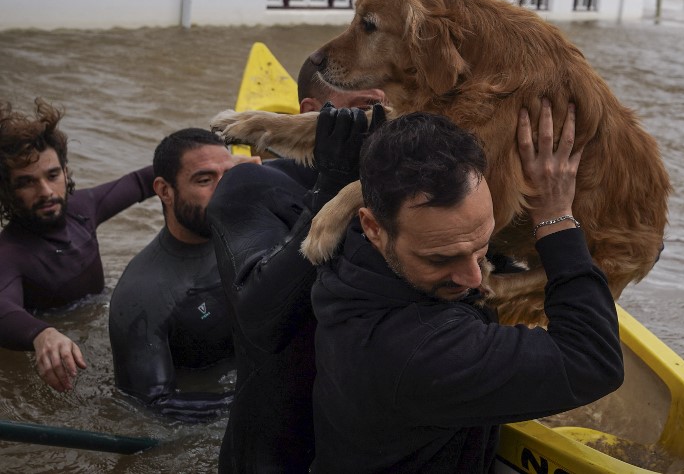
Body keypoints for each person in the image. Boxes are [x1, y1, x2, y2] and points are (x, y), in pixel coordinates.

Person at [309, 101, 625, 473]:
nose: (476, 279)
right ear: (373, 227)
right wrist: (555, 214)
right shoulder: (420, 351)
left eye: (482, 246)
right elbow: (593, 361)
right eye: (441, 259)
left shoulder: (351, 261)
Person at [208, 60, 386, 473]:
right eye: (366, 109)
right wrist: (335, 183)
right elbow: (261, 317)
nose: (382, 127)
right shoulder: (251, 186)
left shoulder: (407, 193)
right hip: (275, 453)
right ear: (312, 112)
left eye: (393, 113)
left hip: (364, 446)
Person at [0, 98, 155, 393]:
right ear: (7, 190)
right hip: (62, 350)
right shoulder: (9, 254)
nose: (46, 191)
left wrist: (221, 164)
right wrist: (41, 334)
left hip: (101, 315)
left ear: (66, 172)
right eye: (26, 183)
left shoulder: (83, 207)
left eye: (52, 175)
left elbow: (143, 181)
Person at [108, 128, 247, 421]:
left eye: (229, 176)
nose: (224, 191)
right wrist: (260, 398)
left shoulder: (249, 232)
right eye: (205, 180)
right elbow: (153, 404)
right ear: (164, 191)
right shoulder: (143, 293)